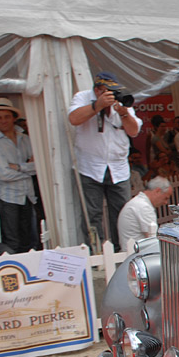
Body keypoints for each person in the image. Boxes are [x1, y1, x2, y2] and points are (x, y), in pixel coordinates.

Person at [68, 71, 141, 249]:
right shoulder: (83, 97)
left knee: (121, 212)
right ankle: (95, 251)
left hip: (118, 168)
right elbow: (74, 119)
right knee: (92, 214)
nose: (112, 94)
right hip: (90, 166)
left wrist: (124, 114)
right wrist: (97, 106)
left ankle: (121, 249)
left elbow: (133, 131)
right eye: (108, 91)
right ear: (98, 89)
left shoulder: (121, 100)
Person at [0, 98, 37, 253]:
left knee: (29, 237)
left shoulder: (25, 139)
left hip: (27, 194)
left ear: (14, 118)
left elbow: (38, 167)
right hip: (7, 196)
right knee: (12, 239)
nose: (3, 121)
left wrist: (19, 167)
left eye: (6, 116)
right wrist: (27, 169)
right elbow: (4, 174)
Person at [117, 176, 173, 252]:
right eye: (166, 198)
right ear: (157, 191)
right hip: (137, 254)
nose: (165, 202)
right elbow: (152, 238)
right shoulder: (144, 207)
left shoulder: (138, 203)